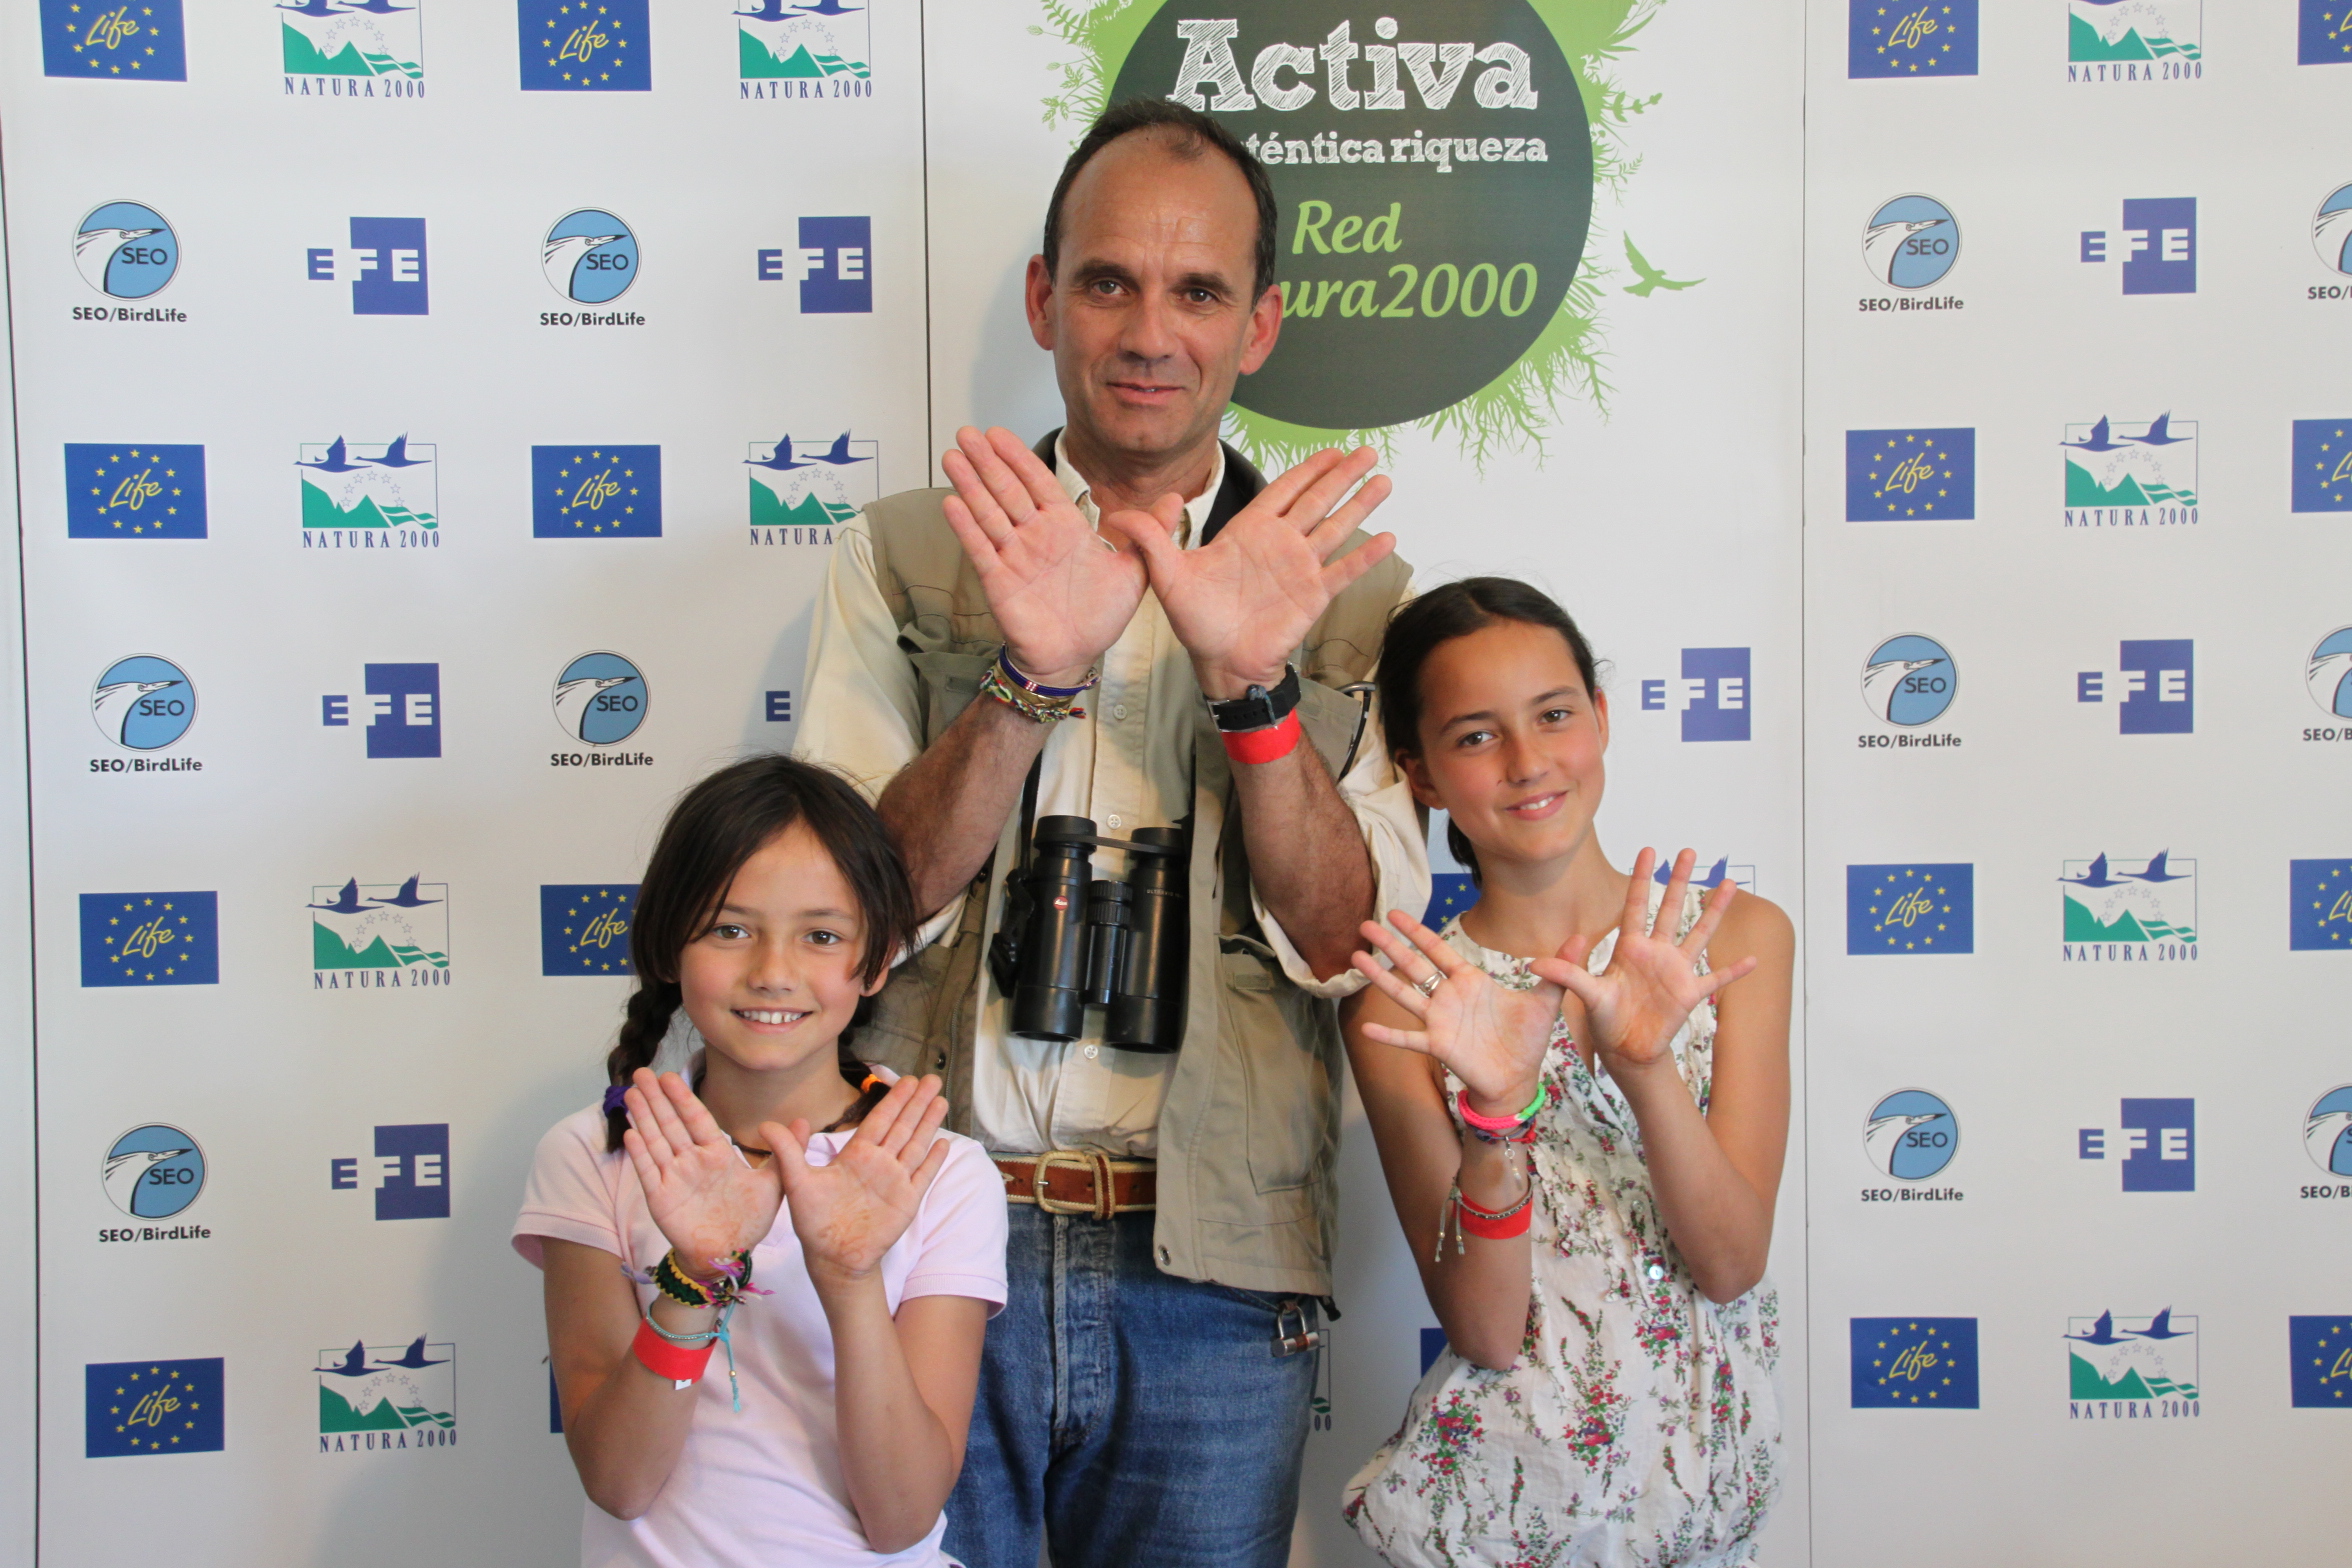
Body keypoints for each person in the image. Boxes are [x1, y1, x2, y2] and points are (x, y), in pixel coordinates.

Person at [792, 98, 1427, 1567]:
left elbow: (1355, 941)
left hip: (1215, 1272)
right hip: (929, 1226)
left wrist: (1254, 691)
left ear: (1258, 326)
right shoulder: (902, 553)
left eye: (1198, 290)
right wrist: (1030, 678)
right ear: (1043, 297)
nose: (1151, 331)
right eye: (1108, 282)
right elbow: (843, 917)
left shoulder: (1354, 596)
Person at [1337, 579, 1792, 1567]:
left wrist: (1645, 1067)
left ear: (1601, 716)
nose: (1529, 761)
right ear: (1417, 771)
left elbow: (1730, 1261)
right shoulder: (1407, 1002)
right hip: (1510, 1522)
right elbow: (1489, 1329)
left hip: (1709, 1515)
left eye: (1553, 714)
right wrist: (1498, 1112)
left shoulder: (1738, 939)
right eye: (1474, 735)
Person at [513, 755, 1008, 1567]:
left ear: (877, 960)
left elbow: (901, 1517)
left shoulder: (941, 1174)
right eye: (729, 929)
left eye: (821, 936)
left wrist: (849, 1279)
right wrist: (696, 1276)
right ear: (669, 945)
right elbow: (618, 1481)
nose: (773, 972)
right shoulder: (594, 1152)